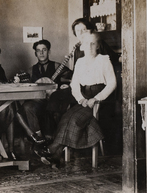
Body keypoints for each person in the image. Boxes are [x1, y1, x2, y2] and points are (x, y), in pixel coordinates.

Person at [45, 31, 117, 166]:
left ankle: (52, 149)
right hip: (84, 98)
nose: (89, 47)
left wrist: (96, 98)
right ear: (82, 46)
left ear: (98, 46)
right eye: (86, 44)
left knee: (76, 119)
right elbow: (74, 84)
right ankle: (56, 153)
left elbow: (112, 83)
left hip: (100, 100)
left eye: (93, 44)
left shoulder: (103, 59)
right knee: (66, 117)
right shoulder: (80, 62)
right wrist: (80, 99)